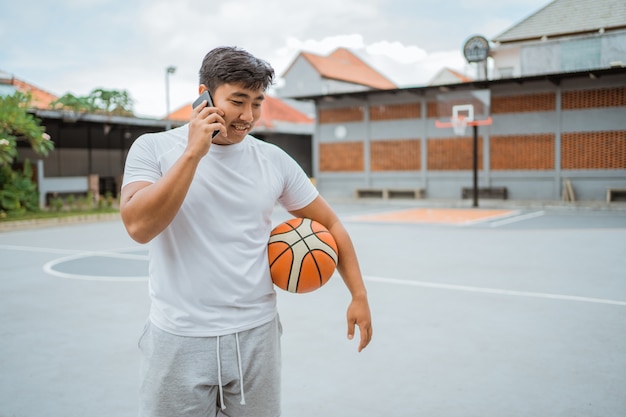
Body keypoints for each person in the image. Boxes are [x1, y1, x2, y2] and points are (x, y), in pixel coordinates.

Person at [120, 46, 372, 417]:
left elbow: (330, 223)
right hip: (179, 335)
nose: (247, 116)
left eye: (257, 103)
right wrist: (193, 153)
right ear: (204, 94)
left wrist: (359, 295)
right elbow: (139, 227)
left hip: (257, 334)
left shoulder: (273, 160)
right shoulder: (154, 149)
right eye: (238, 101)